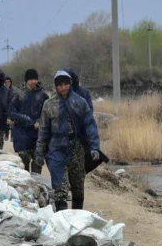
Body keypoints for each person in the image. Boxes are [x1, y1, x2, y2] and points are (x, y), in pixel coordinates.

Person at [35, 70, 101, 211]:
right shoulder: (49, 105)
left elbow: (90, 124)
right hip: (56, 150)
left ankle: (77, 220)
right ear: (56, 87)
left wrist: (95, 146)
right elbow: (43, 131)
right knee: (60, 190)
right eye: (59, 85)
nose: (63, 88)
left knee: (78, 189)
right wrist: (39, 153)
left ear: (70, 84)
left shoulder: (80, 102)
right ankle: (62, 222)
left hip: (76, 150)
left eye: (65, 84)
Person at [8, 69, 49, 173]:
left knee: (37, 166)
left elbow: (47, 112)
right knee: (23, 168)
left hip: (37, 136)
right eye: (31, 79)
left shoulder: (43, 96)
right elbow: (11, 112)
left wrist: (40, 121)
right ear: (26, 80)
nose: (33, 82)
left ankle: (37, 186)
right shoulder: (19, 94)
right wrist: (26, 119)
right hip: (22, 135)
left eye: (35, 79)